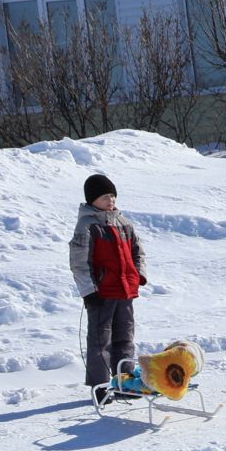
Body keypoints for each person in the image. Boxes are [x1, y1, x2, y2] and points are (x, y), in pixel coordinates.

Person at [68, 172, 146, 404]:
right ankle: (100, 388)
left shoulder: (123, 222)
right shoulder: (87, 225)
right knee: (101, 342)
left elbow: (138, 251)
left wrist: (137, 275)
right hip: (101, 294)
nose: (110, 201)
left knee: (125, 338)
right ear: (92, 200)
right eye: (104, 197)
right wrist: (89, 291)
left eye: (112, 196)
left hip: (125, 290)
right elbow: (79, 262)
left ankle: (125, 383)